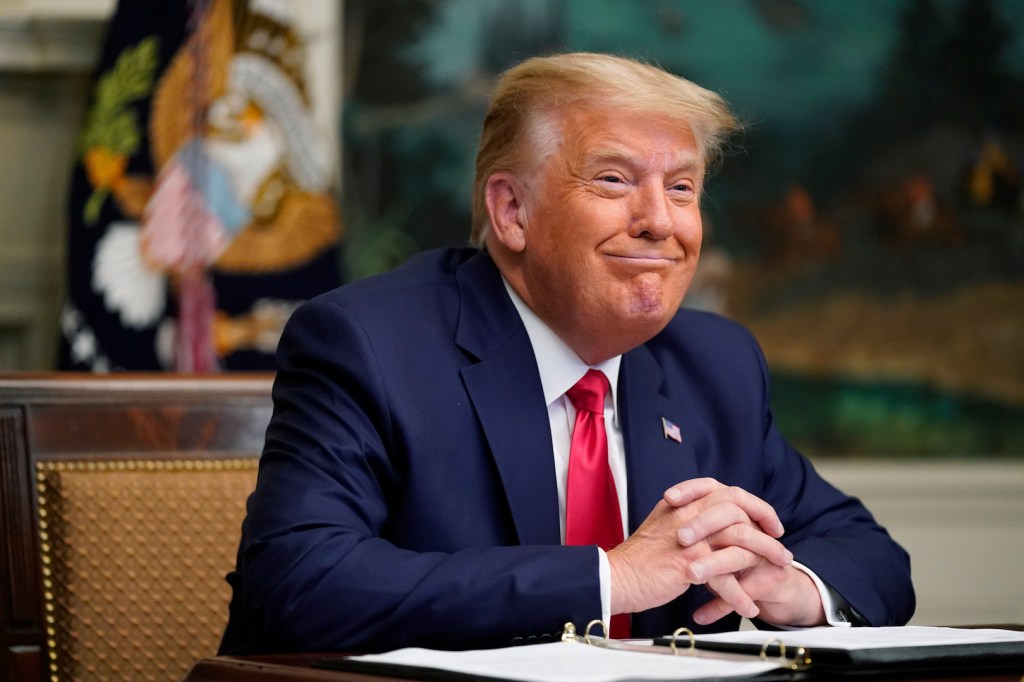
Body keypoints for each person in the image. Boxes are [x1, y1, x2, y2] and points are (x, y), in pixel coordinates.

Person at [220, 52, 914, 655]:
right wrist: (612, 577)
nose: (660, 223)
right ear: (512, 213)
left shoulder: (717, 363)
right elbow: (300, 583)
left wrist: (792, 588)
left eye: (681, 187)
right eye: (613, 180)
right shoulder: (368, 343)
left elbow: (873, 557)